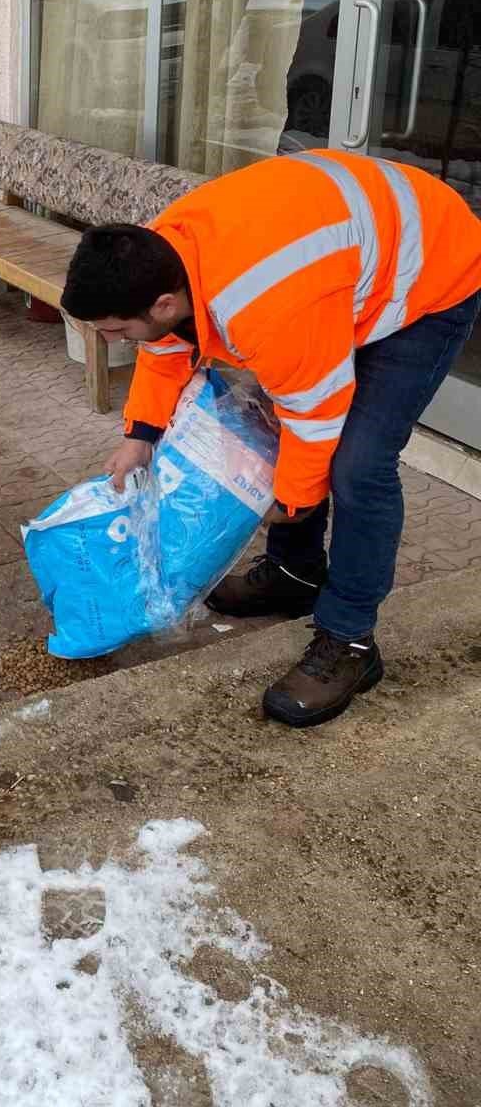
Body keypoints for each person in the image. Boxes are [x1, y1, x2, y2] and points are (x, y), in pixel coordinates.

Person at [60, 149, 481, 728]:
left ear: (163, 303)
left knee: (358, 466)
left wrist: (294, 501)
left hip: (431, 274)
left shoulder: (265, 303)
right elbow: (163, 345)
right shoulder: (158, 254)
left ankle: (350, 641)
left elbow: (314, 413)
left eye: (116, 329)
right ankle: (294, 574)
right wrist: (140, 435)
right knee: (273, 427)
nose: (113, 340)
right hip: (345, 260)